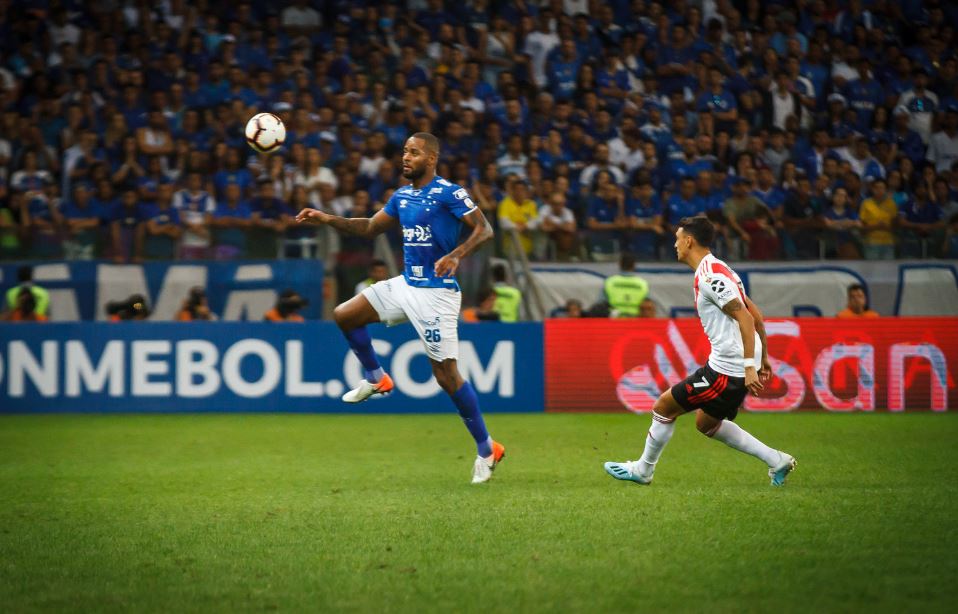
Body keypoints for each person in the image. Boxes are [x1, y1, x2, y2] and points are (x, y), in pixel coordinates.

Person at [296, 132, 505, 484]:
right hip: (407, 284)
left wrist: (456, 254)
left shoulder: (450, 192)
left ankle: (487, 449)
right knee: (345, 315)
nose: (406, 157)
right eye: (405, 151)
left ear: (432, 158)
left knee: (446, 377)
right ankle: (377, 378)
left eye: (414, 152)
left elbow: (485, 230)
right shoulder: (402, 196)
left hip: (437, 294)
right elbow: (368, 227)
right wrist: (327, 218)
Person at [604, 216, 796, 487]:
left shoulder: (710, 276)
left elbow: (746, 318)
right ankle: (777, 460)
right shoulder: (721, 268)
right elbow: (757, 317)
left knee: (663, 407)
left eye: (677, 239)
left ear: (689, 241)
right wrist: (761, 358)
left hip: (728, 367)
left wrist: (750, 367)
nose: (675, 245)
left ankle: (643, 470)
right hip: (737, 361)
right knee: (706, 423)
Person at [604, 253, 649, 318]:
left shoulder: (609, 281)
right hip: (636, 320)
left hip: (614, 320)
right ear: (634, 265)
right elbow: (648, 305)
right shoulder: (643, 284)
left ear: (619, 264)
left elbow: (601, 305)